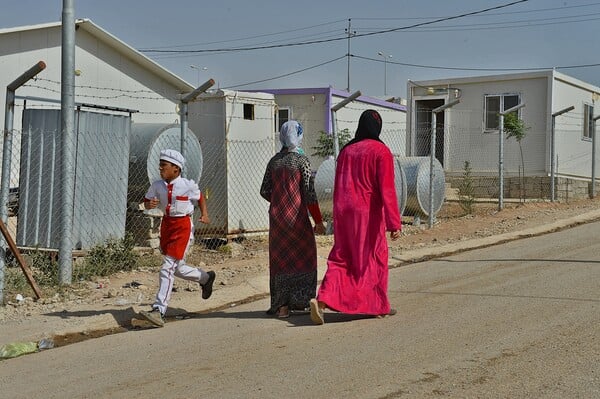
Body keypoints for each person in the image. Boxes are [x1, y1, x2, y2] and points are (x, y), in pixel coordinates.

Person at [310, 109, 401, 325]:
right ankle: (377, 305)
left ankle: (322, 301)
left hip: (343, 212)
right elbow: (386, 189)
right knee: (374, 257)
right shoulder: (381, 151)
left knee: (342, 257)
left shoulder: (346, 151)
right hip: (367, 214)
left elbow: (339, 184)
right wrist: (394, 223)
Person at [139, 149, 216, 327]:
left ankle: (159, 310)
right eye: (160, 166)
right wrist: (148, 204)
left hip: (182, 227)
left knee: (167, 267)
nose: (160, 169)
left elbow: (200, 198)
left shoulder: (187, 185)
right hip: (167, 226)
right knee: (177, 268)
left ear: (176, 168)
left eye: (164, 166)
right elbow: (146, 201)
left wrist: (204, 214)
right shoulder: (157, 185)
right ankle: (206, 278)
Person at [260, 120, 326, 318]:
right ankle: (303, 301)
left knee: (281, 260)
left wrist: (279, 201)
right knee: (304, 257)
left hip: (278, 219)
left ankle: (282, 307)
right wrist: (318, 221)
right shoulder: (301, 161)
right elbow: (309, 194)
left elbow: (264, 190)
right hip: (297, 219)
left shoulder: (274, 161)